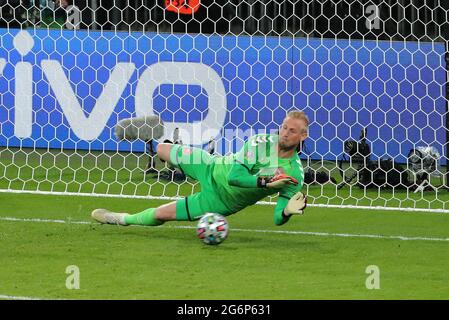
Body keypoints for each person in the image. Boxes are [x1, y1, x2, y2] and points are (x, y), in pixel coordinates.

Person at [91, 110, 309, 227]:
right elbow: (235, 176)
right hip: (212, 167)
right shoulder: (262, 142)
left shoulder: (294, 174)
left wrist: (287, 211)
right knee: (163, 149)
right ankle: (155, 138)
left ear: (303, 136)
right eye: (283, 127)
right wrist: (266, 182)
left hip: (220, 202)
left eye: (292, 131)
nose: (285, 133)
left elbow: (277, 219)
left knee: (160, 215)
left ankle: (121, 219)